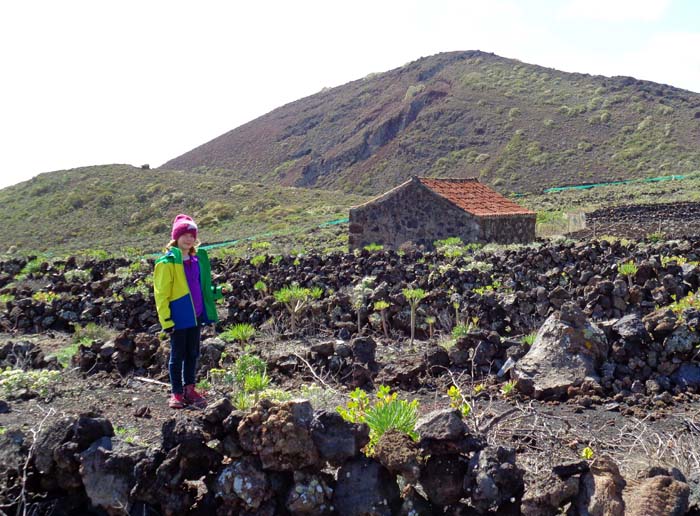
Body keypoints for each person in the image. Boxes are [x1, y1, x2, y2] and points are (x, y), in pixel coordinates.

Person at [153, 214, 223, 409]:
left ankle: (189, 389)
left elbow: (200, 286)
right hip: (179, 316)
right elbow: (161, 294)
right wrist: (166, 320)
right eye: (184, 233)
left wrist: (214, 294)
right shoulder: (166, 262)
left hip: (197, 315)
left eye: (192, 234)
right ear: (176, 236)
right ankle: (176, 393)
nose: (189, 238)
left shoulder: (198, 259)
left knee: (193, 353)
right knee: (177, 356)